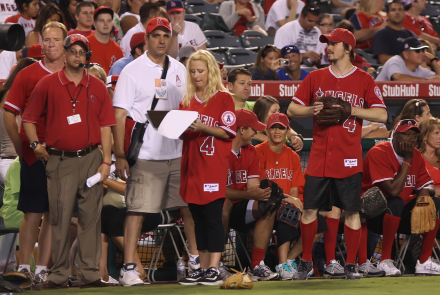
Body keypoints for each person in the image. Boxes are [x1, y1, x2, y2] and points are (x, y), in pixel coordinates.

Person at [286, 28, 387, 280]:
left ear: (348, 48)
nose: (328, 47)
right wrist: (313, 109)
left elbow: (382, 115)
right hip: (320, 155)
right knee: (310, 211)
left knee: (351, 212)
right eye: (327, 43)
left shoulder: (364, 79)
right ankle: (306, 261)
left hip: (349, 156)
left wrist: (351, 109)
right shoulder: (315, 77)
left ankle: (351, 264)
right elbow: (292, 110)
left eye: (333, 43)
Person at [21, 33, 116, 289]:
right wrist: (35, 146)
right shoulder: (47, 83)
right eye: (72, 51)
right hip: (60, 159)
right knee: (59, 218)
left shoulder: (97, 86)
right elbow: (28, 118)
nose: (77, 55)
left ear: (87, 56)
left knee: (91, 218)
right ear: (65, 53)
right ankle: (58, 275)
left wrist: (107, 161)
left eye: (81, 52)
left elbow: (107, 126)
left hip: (92, 158)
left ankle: (90, 274)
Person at [112, 17, 196, 287]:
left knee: (188, 207)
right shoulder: (132, 71)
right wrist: (120, 155)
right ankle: (128, 268)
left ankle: (194, 262)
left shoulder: (180, 70)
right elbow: (119, 114)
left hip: (177, 152)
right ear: (146, 38)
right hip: (146, 155)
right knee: (137, 211)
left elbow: (189, 107)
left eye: (165, 35)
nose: (161, 40)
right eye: (156, 35)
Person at [3, 21, 68, 288]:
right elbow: (9, 112)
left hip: (65, 155)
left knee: (53, 214)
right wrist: (22, 147)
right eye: (47, 39)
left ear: (66, 42)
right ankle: (23, 267)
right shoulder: (28, 73)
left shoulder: (73, 72)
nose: (51, 44)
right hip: (34, 153)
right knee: (32, 212)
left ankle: (42, 268)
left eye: (56, 39)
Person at [178, 50, 236, 286]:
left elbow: (228, 131)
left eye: (200, 70)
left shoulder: (224, 98)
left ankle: (214, 266)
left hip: (212, 167)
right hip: (191, 167)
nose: (196, 75)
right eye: (192, 71)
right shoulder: (187, 99)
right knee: (198, 219)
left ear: (210, 71)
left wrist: (203, 127)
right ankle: (202, 268)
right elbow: (181, 132)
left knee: (213, 218)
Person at [361, 119, 440, 276]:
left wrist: (424, 194)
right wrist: (408, 161)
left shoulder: (416, 155)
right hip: (371, 215)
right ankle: (385, 260)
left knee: (434, 202)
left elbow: (429, 185)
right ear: (395, 136)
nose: (411, 139)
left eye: (414, 135)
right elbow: (393, 191)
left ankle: (423, 261)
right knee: (395, 202)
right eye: (406, 135)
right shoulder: (379, 152)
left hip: (397, 215)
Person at [256, 113, 325, 280]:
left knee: (319, 223)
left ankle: (289, 259)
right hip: (265, 203)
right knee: (286, 213)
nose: (277, 131)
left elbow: (295, 190)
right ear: (267, 130)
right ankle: (281, 266)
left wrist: (294, 202)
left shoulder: (292, 156)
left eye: (281, 128)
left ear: (288, 131)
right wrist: (289, 201)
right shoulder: (258, 152)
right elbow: (262, 186)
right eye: (273, 127)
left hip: (285, 202)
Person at [222, 109, 279, 281]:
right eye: (253, 129)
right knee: (224, 203)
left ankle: (257, 264)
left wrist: (263, 193)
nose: (256, 132)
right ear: (241, 130)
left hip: (241, 204)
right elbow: (217, 189)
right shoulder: (220, 150)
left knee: (269, 203)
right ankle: (215, 263)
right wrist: (249, 194)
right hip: (218, 207)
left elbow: (253, 186)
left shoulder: (250, 151)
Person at [0, 58, 36, 274]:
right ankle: (15, 263)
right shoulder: (14, 97)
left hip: (14, 160)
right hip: (11, 161)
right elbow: (22, 134)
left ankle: (12, 262)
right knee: (24, 209)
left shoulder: (9, 93)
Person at [376, 37, 440, 81]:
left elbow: (438, 79)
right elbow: (398, 78)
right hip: (375, 99)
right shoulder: (395, 61)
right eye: (417, 51)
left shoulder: (419, 70)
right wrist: (427, 80)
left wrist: (433, 60)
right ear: (406, 54)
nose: (422, 53)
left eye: (423, 50)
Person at [373, 0, 416, 65]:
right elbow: (383, 59)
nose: (397, 12)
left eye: (400, 10)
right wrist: (408, 60)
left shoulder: (411, 34)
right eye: (393, 10)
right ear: (387, 15)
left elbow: (419, 55)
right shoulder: (381, 34)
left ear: (405, 14)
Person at [87, 6, 123, 74]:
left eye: (109, 21)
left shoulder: (117, 49)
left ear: (112, 24)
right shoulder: (85, 44)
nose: (106, 24)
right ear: (94, 24)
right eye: (101, 21)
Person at [418, 117, 440, 196]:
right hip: (429, 201)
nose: (439, 137)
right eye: (436, 133)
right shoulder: (416, 158)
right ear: (425, 136)